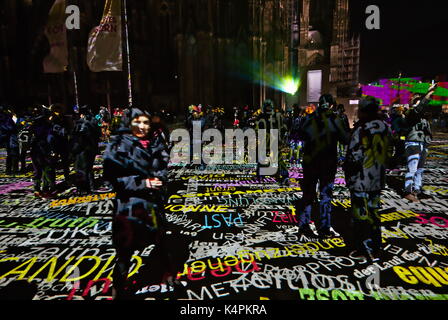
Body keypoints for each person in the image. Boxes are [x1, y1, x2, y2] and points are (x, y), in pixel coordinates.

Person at [103, 108, 173, 300]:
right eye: (138, 122)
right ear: (129, 123)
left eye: (146, 122)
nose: (142, 127)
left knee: (160, 242)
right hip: (129, 207)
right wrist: (143, 183)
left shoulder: (155, 142)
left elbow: (162, 166)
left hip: (152, 204)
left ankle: (167, 276)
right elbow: (111, 179)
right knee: (125, 249)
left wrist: (160, 180)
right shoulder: (117, 145)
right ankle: (119, 286)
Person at [344, 97, 393, 261]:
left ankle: (363, 248)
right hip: (377, 178)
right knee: (374, 213)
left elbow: (354, 157)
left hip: (361, 179)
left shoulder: (362, 129)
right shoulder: (386, 128)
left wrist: (347, 171)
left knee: (360, 215)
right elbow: (390, 152)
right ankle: (376, 246)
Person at [296, 94, 350, 238]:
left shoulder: (308, 118)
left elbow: (299, 135)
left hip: (310, 161)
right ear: (332, 105)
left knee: (308, 194)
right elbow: (345, 139)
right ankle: (324, 227)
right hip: (327, 162)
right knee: (325, 195)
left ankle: (304, 226)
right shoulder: (335, 119)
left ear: (319, 104)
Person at [401, 84, 437, 202]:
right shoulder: (411, 113)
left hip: (422, 144)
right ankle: (407, 191)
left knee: (420, 169)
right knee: (412, 168)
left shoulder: (423, 117)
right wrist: (428, 94)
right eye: (417, 101)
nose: (420, 104)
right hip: (413, 143)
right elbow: (420, 107)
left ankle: (417, 190)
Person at [71, 105, 101, 195]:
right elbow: (98, 134)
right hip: (92, 148)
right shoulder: (94, 121)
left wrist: (74, 150)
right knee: (89, 168)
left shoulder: (81, 123)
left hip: (82, 149)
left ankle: (84, 188)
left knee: (81, 169)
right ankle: (91, 186)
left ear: (81, 114)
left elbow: (77, 136)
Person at [0, 106, 19, 175]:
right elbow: (11, 128)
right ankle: (14, 170)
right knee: (14, 154)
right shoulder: (6, 118)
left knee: (10, 155)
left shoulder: (4, 118)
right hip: (11, 138)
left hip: (7, 138)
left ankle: (9, 170)